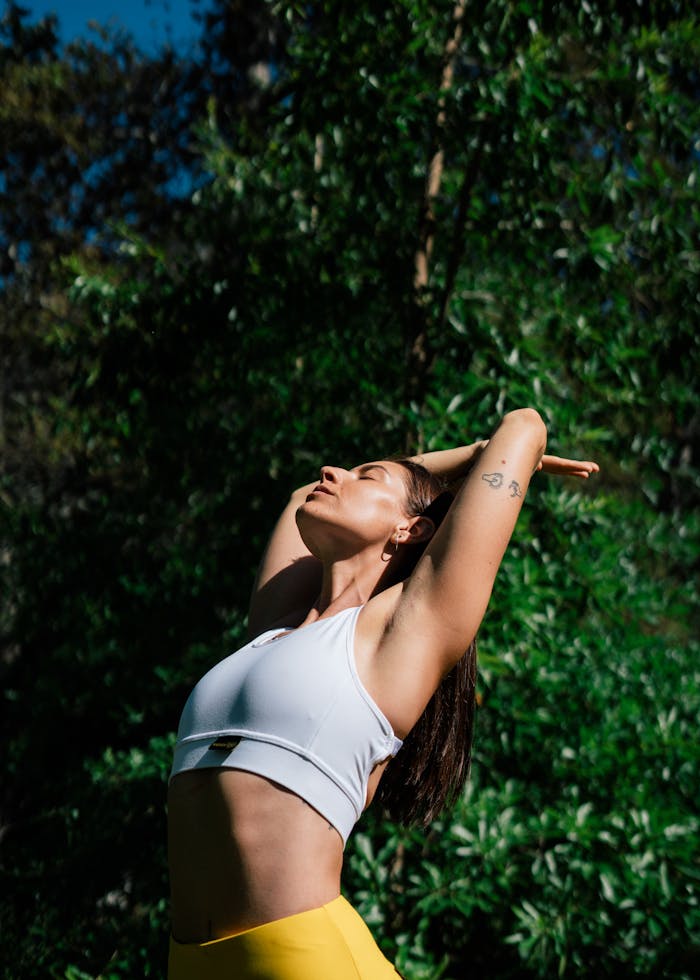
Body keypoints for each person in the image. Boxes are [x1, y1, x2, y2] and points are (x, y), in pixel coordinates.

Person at [167, 409, 598, 979]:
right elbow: (303, 492)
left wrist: (476, 459)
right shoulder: (274, 631)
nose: (332, 472)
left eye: (365, 477)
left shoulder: (399, 635)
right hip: (193, 965)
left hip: (302, 958)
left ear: (411, 528)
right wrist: (432, 469)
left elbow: (523, 426)